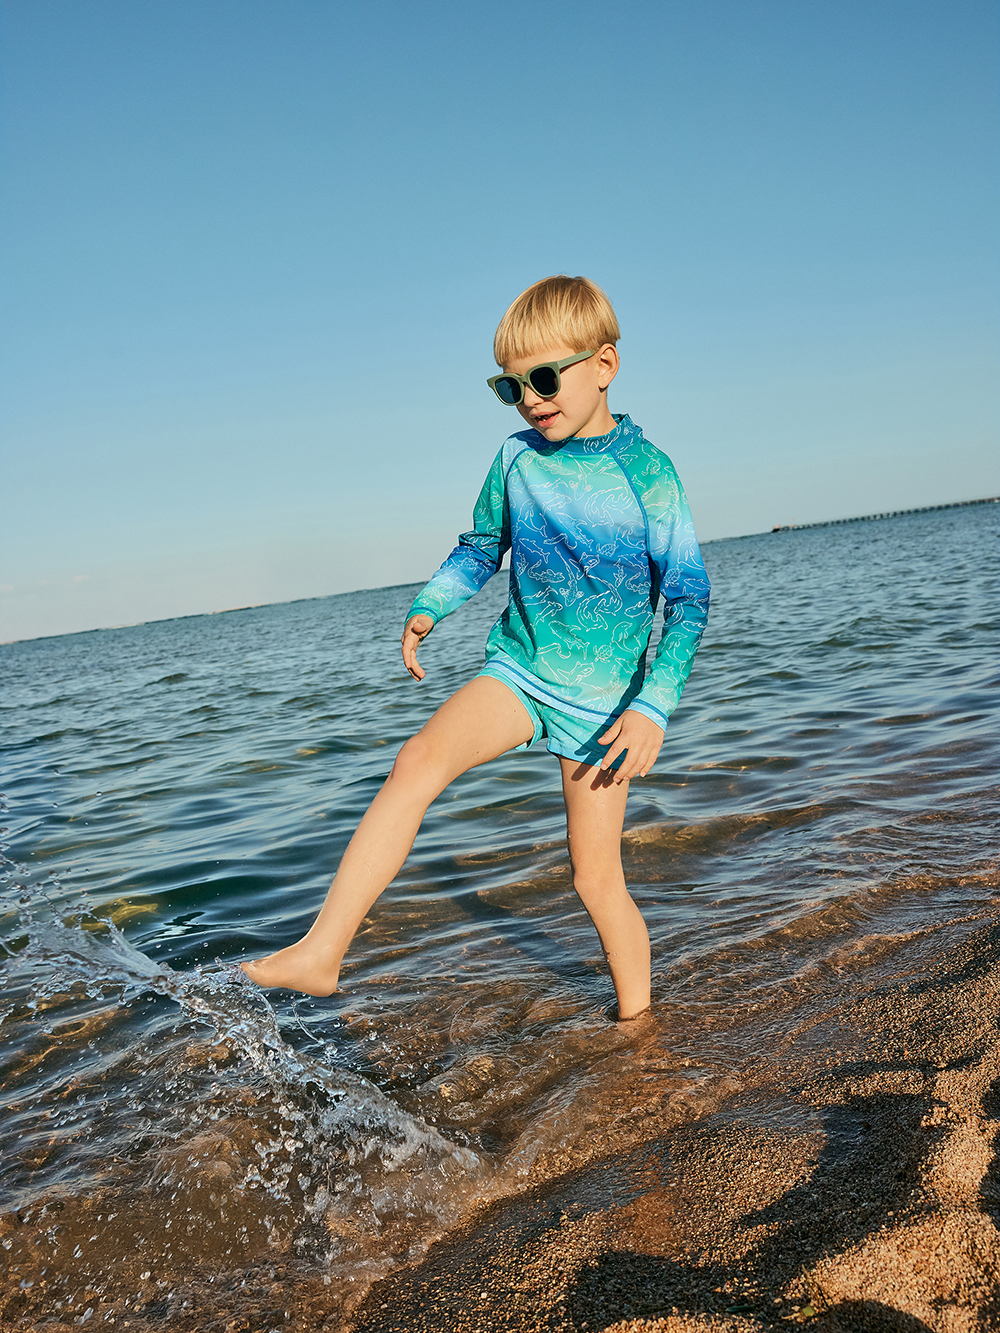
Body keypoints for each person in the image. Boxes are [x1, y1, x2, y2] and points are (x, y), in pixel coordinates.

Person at [242, 275, 710, 1020]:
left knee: (595, 878)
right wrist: (432, 604)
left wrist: (654, 705)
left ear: (604, 366)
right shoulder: (516, 460)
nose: (531, 398)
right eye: (511, 386)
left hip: (604, 705)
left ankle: (638, 1025)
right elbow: (481, 546)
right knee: (416, 760)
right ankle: (322, 952)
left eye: (545, 377)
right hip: (520, 671)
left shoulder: (648, 474)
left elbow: (688, 600)